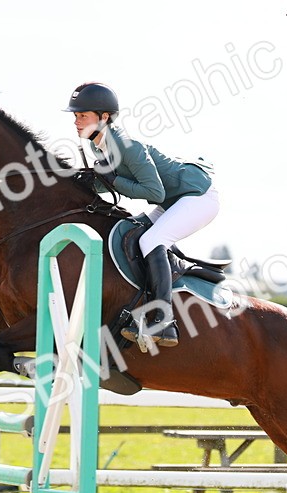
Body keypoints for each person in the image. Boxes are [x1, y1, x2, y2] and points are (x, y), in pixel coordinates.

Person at [65, 82, 220, 346]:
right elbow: (111, 181)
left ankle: (164, 322)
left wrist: (112, 180)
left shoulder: (127, 145)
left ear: (104, 118)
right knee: (131, 231)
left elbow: (154, 192)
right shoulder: (97, 145)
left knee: (151, 241)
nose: (77, 122)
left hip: (198, 196)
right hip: (175, 199)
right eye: (76, 116)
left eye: (83, 116)